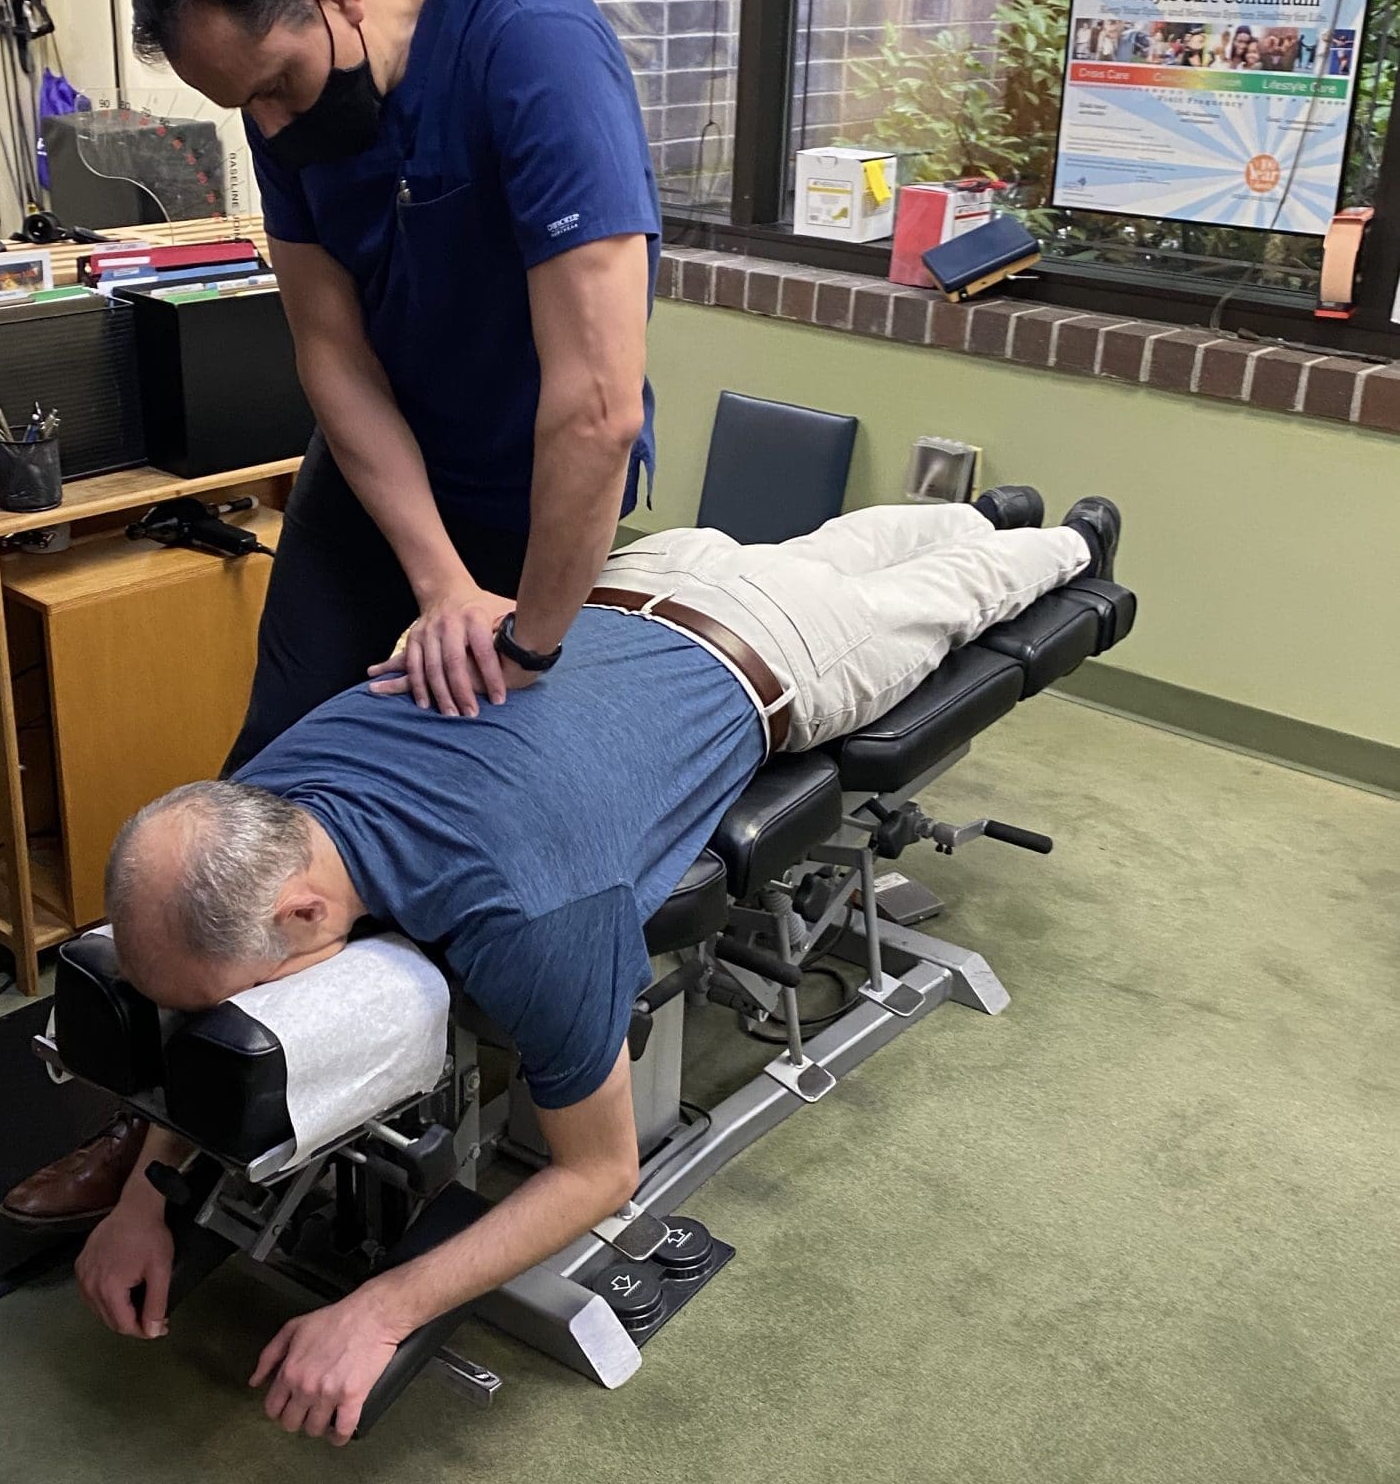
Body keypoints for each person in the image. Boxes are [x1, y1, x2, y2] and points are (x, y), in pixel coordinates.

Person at [72, 488, 1121, 1443]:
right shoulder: (263, 795)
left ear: (299, 910)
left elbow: (600, 1170)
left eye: (240, 999)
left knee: (969, 588)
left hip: (785, 651)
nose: (230, 1019)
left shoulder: (526, 906)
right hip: (635, 579)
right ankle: (981, 507)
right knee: (833, 540)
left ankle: (1065, 535)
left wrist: (381, 1305)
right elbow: (195, 994)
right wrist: (143, 1197)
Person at [2, 0, 662, 1230]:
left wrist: (524, 636)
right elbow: (328, 349)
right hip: (377, 487)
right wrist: (428, 578)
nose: (266, 122)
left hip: (533, 491)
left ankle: (432, 1089)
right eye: (238, 101)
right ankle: (155, 1152)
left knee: (474, 816)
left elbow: (594, 408)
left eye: (277, 90)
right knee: (253, 812)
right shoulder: (282, 86)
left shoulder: (529, 48)